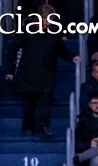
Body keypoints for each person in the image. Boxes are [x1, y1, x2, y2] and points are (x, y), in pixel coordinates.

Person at [7, 8, 79, 138]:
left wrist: (72, 57)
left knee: (45, 100)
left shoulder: (54, 32)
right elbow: (12, 50)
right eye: (45, 19)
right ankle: (28, 127)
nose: (47, 22)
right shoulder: (26, 30)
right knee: (28, 103)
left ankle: (44, 126)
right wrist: (10, 70)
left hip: (46, 72)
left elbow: (61, 50)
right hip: (27, 72)